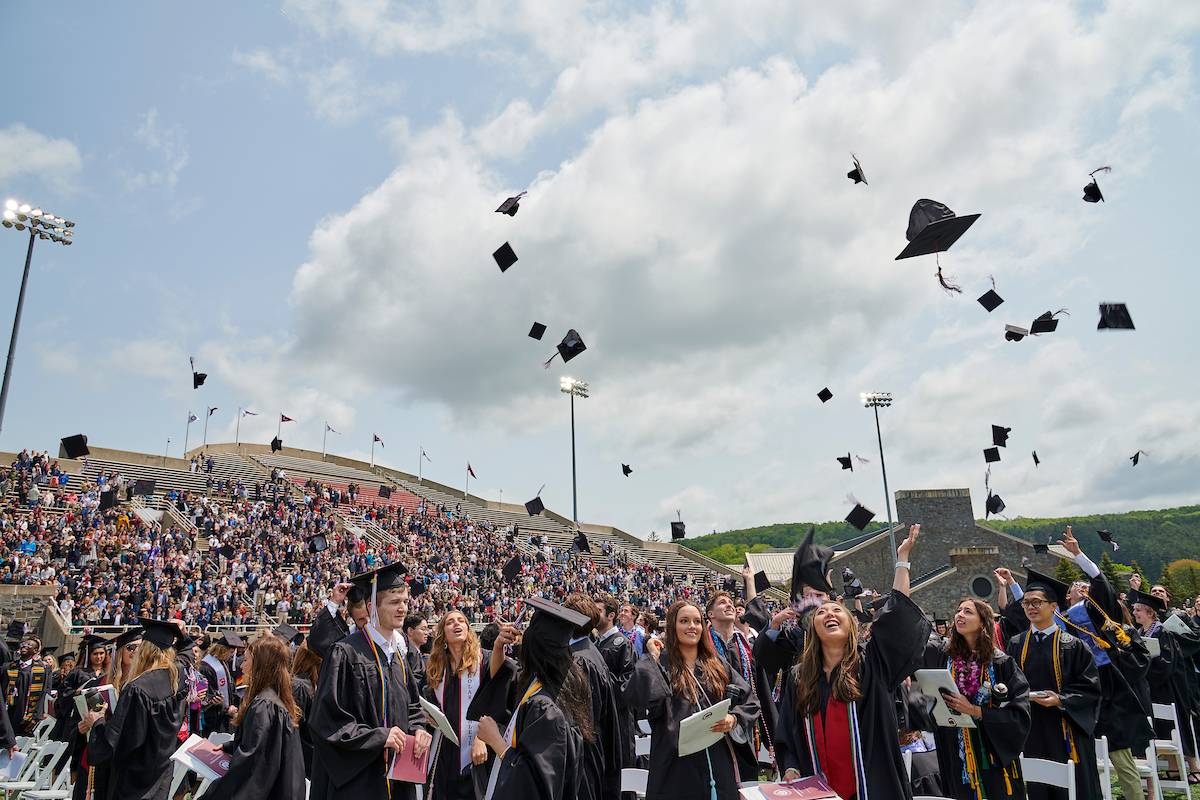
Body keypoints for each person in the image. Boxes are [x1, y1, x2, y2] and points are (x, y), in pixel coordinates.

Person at [775, 524, 930, 800]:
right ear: (813, 628)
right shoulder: (800, 678)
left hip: (873, 787)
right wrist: (790, 768)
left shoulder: (872, 664)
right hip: (818, 790)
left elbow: (896, 615)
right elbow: (788, 731)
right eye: (822, 612)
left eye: (838, 610)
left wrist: (902, 560)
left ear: (851, 625)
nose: (830, 613)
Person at [309, 562, 432, 800]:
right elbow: (326, 720)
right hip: (360, 781)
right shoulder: (345, 653)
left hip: (397, 777)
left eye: (405, 602)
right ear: (371, 606)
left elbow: (413, 706)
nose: (403, 609)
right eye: (394, 602)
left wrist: (418, 730)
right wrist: (378, 737)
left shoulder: (397, 654)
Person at [622, 597, 759, 799]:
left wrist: (733, 718)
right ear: (672, 626)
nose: (692, 626)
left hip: (717, 758)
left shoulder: (715, 663)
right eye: (684, 621)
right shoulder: (661, 663)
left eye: (696, 621)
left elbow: (750, 700)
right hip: (676, 765)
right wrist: (651, 657)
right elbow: (639, 697)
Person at [473, 597, 589, 800]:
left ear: (533, 647)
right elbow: (506, 679)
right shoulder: (558, 684)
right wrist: (499, 646)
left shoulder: (544, 707)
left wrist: (496, 741)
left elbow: (534, 783)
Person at [1004, 568, 1103, 800]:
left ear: (1053, 606)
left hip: (1066, 728)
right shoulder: (1016, 644)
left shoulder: (1075, 645)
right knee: (1037, 787)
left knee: (1073, 789)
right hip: (1031, 729)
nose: (1031, 607)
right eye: (1026, 603)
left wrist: (1060, 699)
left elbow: (1090, 689)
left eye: (1037, 602)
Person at [919, 598, 1030, 798]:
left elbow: (1020, 715)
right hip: (955, 752)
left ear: (982, 622)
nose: (960, 614)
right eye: (959, 610)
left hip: (991, 754)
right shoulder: (946, 658)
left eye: (968, 612)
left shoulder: (1001, 663)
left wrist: (975, 711)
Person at [81, 618, 193, 800]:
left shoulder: (138, 688)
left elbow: (119, 742)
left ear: (146, 651)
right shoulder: (176, 678)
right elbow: (187, 655)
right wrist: (184, 636)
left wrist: (98, 722)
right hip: (160, 776)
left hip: (134, 782)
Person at [199, 634, 307, 799]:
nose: (242, 666)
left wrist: (212, 794)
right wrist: (232, 746)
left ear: (259, 666)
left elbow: (250, 769)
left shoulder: (263, 706)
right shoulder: (273, 699)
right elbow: (267, 750)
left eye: (246, 660)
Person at [1129, 584, 1200, 785]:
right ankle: (1173, 769)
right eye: (1134, 610)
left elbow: (1165, 663)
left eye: (1138, 610)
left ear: (1150, 612)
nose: (1134, 613)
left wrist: (1143, 668)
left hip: (1169, 688)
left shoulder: (1163, 632)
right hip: (1152, 689)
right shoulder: (1140, 631)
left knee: (1178, 726)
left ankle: (1194, 767)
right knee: (1161, 727)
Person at [423, 609, 495, 800]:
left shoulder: (485, 661)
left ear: (468, 629)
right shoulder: (435, 666)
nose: (456, 624)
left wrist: (482, 738)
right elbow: (425, 702)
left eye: (461, 621)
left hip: (478, 751)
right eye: (450, 622)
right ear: (443, 633)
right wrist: (428, 716)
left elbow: (497, 702)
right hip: (444, 751)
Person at [706, 588, 772, 779]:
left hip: (744, 722)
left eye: (730, 603)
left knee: (746, 777)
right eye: (722, 603)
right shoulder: (704, 647)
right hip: (715, 723)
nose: (729, 605)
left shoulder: (746, 646)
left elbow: (760, 688)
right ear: (710, 614)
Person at [562, 593, 622, 800]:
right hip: (597, 753)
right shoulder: (589, 652)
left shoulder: (580, 661)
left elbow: (582, 722)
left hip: (585, 759)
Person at [594, 594, 637, 770]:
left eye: (598, 611)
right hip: (601, 720)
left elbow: (627, 685)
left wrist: (598, 675)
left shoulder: (622, 644)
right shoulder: (596, 644)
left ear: (611, 615)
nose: (593, 615)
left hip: (618, 722)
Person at [3, 634, 50, 735]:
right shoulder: (9, 667)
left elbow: (43, 693)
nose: (24, 646)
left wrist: (36, 716)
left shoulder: (41, 670)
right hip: (9, 712)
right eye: (23, 644)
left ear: (35, 650)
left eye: (29, 645)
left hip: (28, 715)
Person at [198, 632, 244, 734]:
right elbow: (206, 694)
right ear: (223, 650)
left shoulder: (222, 662)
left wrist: (231, 705)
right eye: (231, 652)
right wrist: (224, 706)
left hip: (224, 714)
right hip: (212, 716)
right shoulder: (206, 667)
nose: (232, 656)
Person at [290, 641, 322, 777]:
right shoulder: (300, 687)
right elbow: (296, 727)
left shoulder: (312, 683)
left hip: (311, 754)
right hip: (303, 755)